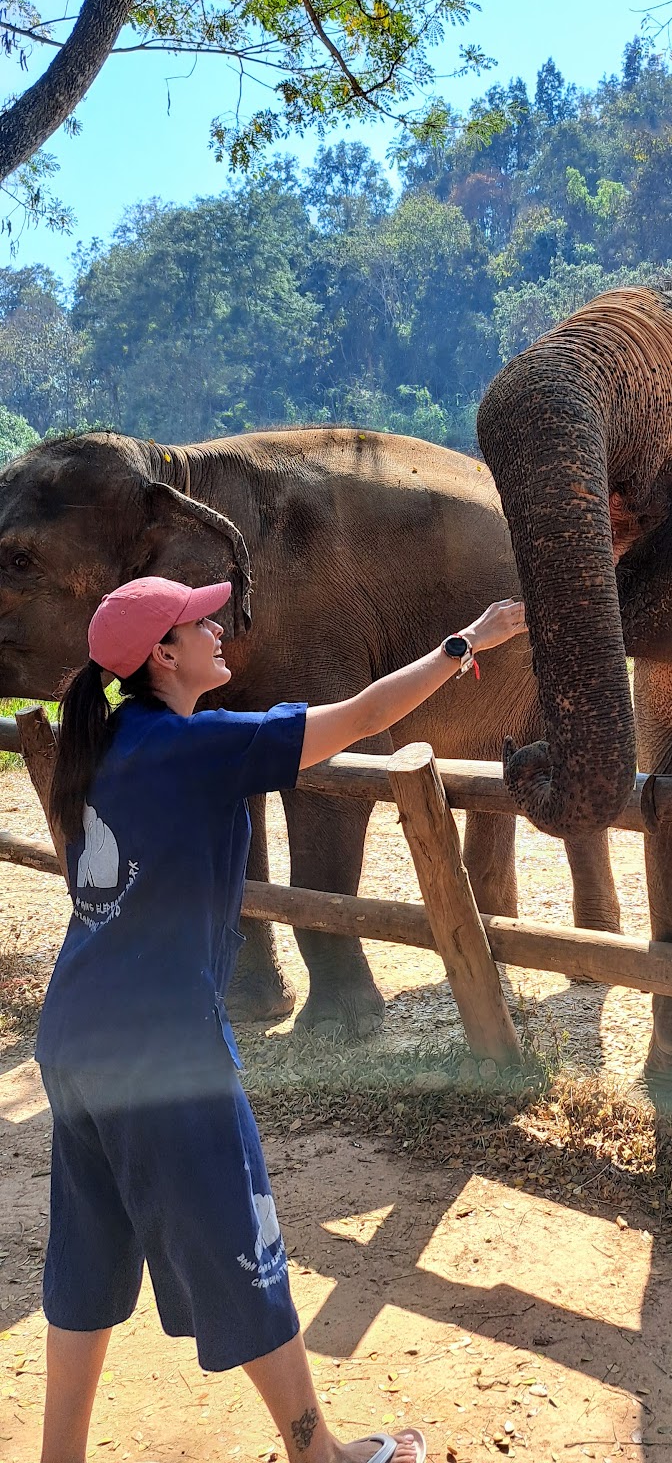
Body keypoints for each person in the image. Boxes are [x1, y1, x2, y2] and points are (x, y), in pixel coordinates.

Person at [34, 575, 527, 1463]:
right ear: (162, 655)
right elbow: (366, 713)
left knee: (86, 1260)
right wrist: (466, 643)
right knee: (243, 1242)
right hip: (163, 1051)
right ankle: (319, 1455)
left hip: (74, 1037)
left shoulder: (102, 746)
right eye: (198, 622)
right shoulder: (199, 746)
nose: (219, 628)